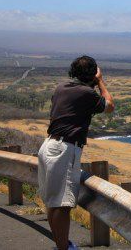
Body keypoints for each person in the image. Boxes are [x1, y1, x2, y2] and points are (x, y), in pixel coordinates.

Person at [38, 55, 115, 250]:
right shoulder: (86, 93)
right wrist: (100, 82)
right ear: (93, 73)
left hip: (49, 146)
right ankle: (64, 248)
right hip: (65, 149)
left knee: (53, 203)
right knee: (63, 204)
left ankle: (61, 245)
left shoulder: (61, 87)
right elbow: (109, 106)